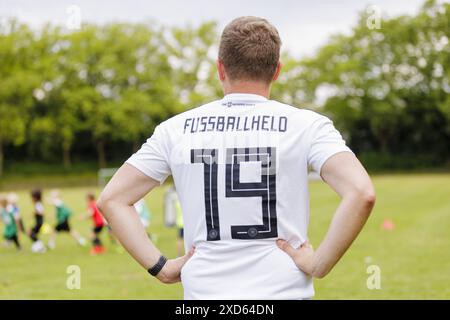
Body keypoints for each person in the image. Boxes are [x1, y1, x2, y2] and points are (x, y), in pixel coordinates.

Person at [97, 16, 376, 299]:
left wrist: (162, 268)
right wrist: (318, 265)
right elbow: (361, 192)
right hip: (283, 291)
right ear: (276, 70)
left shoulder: (175, 130)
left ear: (220, 68)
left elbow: (112, 199)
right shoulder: (307, 125)